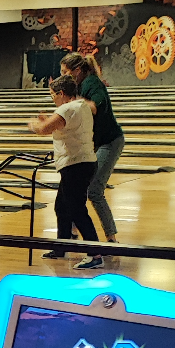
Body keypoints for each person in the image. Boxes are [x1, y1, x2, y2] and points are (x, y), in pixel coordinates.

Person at [28, 75, 102, 270]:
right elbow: (64, 126)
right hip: (84, 163)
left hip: (75, 165)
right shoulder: (82, 106)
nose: (53, 99)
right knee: (62, 206)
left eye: (53, 95)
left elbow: (44, 129)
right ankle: (61, 247)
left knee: (77, 209)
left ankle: (95, 253)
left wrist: (35, 125)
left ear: (61, 93)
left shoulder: (67, 108)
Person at [60, 52, 125, 243]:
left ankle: (111, 238)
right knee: (76, 187)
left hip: (109, 142)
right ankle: (72, 230)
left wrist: (76, 103)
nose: (63, 75)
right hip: (95, 144)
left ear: (77, 70)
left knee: (94, 190)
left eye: (65, 72)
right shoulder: (79, 85)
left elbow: (96, 106)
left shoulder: (92, 83)